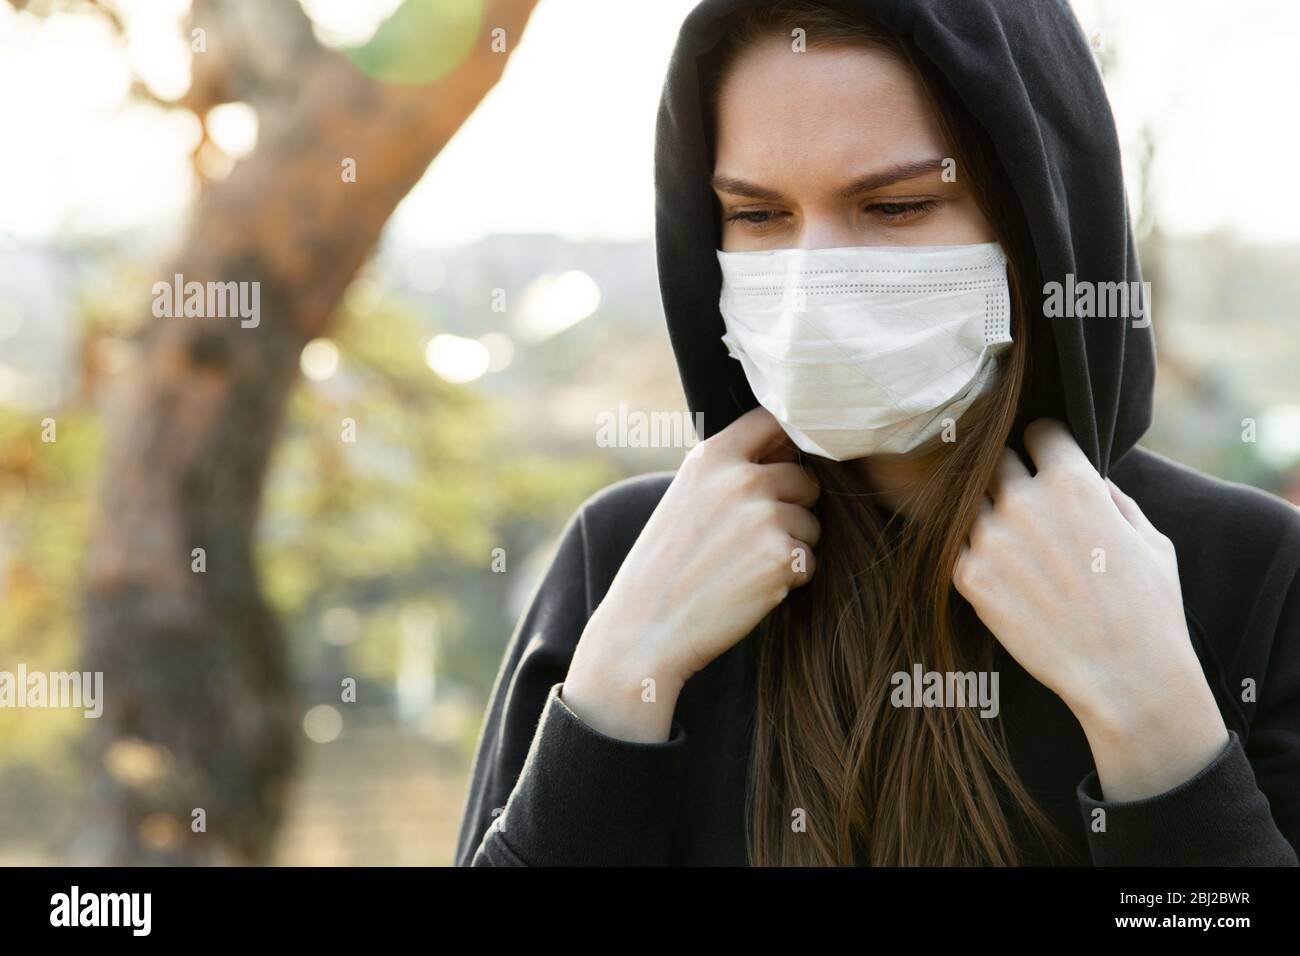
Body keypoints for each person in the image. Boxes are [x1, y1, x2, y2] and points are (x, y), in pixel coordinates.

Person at [454, 0, 1300, 865]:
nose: (812, 285)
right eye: (757, 216)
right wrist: (615, 690)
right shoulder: (626, 560)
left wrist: (1159, 730)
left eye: (896, 206)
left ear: (1034, 222)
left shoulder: (1251, 573)